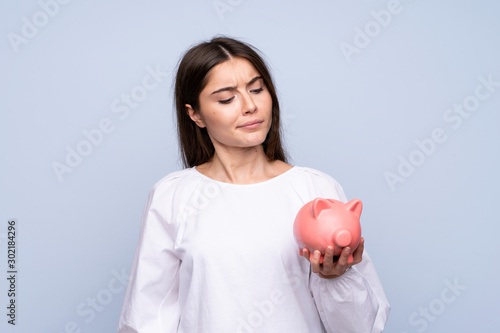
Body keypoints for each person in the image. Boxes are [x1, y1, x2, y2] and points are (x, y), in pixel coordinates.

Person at [117, 36, 390, 333]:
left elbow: (361, 328)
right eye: (226, 98)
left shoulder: (316, 190)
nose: (250, 106)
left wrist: (336, 277)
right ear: (195, 114)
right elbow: (147, 318)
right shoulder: (171, 195)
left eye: (257, 89)